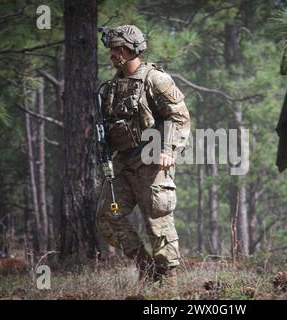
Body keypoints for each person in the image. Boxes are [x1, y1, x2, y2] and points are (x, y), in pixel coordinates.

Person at [95, 25, 190, 286]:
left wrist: (169, 150)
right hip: (123, 164)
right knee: (108, 214)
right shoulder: (112, 85)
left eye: (119, 49)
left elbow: (179, 116)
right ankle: (144, 265)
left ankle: (169, 283)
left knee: (158, 223)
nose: (113, 54)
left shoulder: (156, 79)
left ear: (132, 49)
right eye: (113, 49)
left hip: (152, 164)